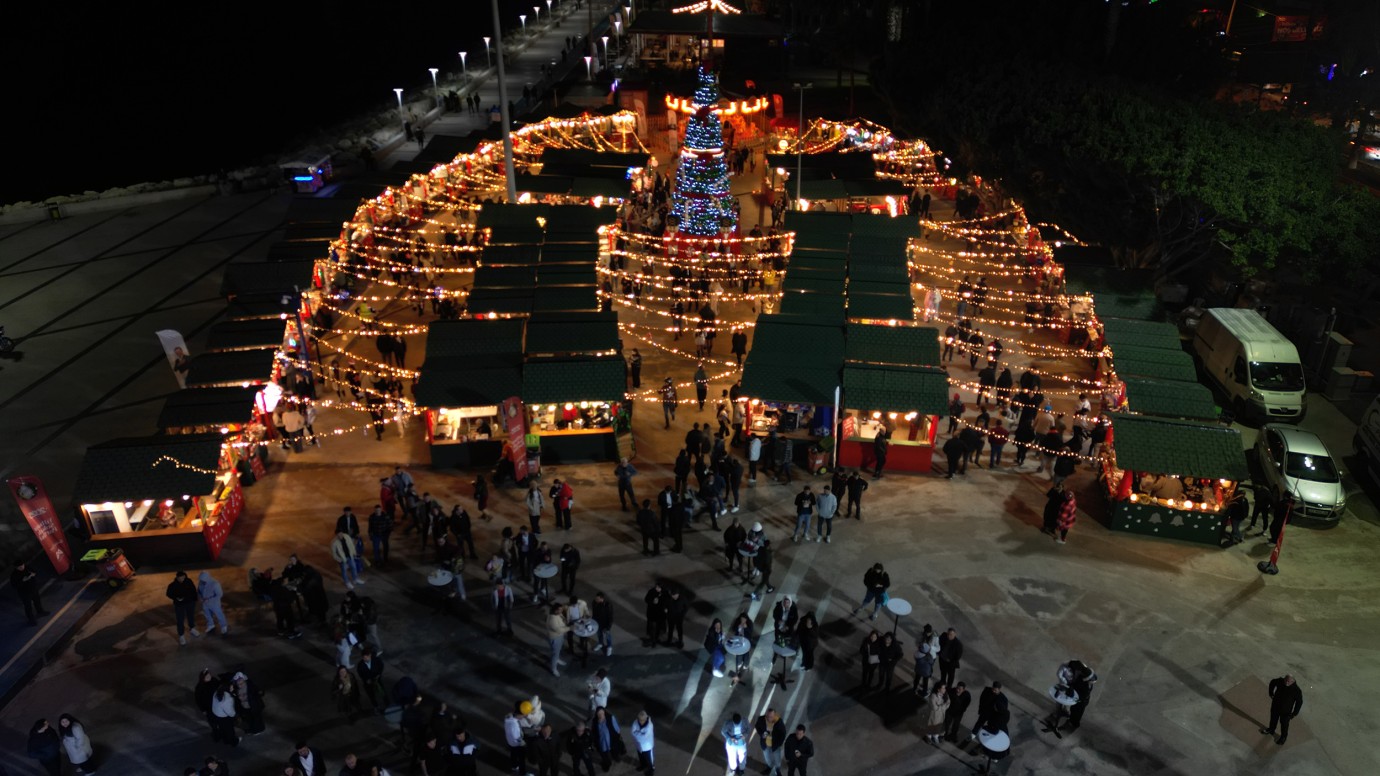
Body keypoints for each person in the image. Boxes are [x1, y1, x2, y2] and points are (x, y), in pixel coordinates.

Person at [1262, 674, 1303, 745]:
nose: (1286, 682)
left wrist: (1294, 713)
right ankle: (1271, 729)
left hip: (1286, 711)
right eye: (1286, 680)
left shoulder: (1296, 690)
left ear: (1293, 681)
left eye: (1289, 681)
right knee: (1273, 719)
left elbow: (1299, 702)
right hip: (1275, 706)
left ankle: (1283, 737)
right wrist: (1271, 693)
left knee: (1284, 724)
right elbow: (1272, 682)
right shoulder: (1280, 681)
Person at [167, 570, 201, 645]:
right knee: (180, 619)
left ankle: (192, 629)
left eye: (183, 577)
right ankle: (181, 635)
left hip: (190, 603)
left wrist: (195, 600)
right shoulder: (173, 585)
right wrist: (176, 598)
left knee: (191, 616)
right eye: (180, 578)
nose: (181, 579)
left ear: (185, 576)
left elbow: (193, 590)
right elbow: (168, 593)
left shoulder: (188, 581)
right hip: (179, 605)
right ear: (177, 578)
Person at [11, 560, 48, 625]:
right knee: (28, 606)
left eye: (22, 565)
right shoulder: (14, 575)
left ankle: (40, 611)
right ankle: (31, 619)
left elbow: (35, 572)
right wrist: (23, 581)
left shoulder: (27, 568)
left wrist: (34, 574)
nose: (22, 567)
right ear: (16, 568)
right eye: (20, 567)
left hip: (33, 589)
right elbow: (14, 585)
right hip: (24, 593)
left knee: (37, 601)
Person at [232, 670, 266, 735]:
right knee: (249, 720)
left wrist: (260, 692)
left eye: (241, 681)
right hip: (245, 708)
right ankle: (252, 729)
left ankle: (258, 730)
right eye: (238, 682)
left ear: (244, 680)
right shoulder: (236, 689)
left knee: (257, 720)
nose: (239, 683)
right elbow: (237, 700)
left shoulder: (251, 686)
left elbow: (259, 692)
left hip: (254, 707)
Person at [195, 571, 228, 635]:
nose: (201, 581)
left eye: (203, 580)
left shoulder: (215, 584)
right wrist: (200, 597)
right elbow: (199, 591)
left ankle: (224, 626)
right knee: (207, 614)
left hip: (214, 603)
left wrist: (210, 600)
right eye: (201, 580)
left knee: (219, 614)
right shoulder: (201, 582)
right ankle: (211, 625)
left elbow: (219, 594)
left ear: (207, 578)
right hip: (205, 602)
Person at [592, 706, 624, 772]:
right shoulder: (595, 721)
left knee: (614, 750)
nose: (601, 715)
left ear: (604, 712)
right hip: (602, 742)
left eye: (602, 713)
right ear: (596, 714)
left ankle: (616, 757)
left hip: (612, 740)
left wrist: (619, 735)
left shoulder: (610, 718)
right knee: (604, 755)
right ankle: (607, 764)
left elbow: (616, 728)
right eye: (599, 714)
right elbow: (594, 732)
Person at [755, 709, 785, 776]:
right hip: (765, 744)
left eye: (771, 717)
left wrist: (779, 743)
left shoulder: (779, 722)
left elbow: (783, 733)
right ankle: (769, 767)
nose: (769, 718)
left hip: (775, 745)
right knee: (767, 758)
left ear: (774, 715)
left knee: (777, 759)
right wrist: (761, 734)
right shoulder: (761, 719)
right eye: (767, 716)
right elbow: (757, 726)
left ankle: (777, 770)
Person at [356, 647, 386, 715]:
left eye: (365, 657)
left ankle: (387, 704)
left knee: (383, 693)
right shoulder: (360, 665)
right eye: (363, 657)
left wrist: (379, 674)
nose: (364, 659)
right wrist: (366, 680)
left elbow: (381, 666)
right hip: (368, 683)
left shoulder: (376, 660)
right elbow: (360, 674)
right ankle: (376, 707)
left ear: (370, 655)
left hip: (377, 680)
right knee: (371, 696)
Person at [913, 623, 940, 694]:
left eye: (928, 633)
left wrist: (931, 648)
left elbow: (938, 648)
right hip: (922, 655)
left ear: (931, 632)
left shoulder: (935, 637)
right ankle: (915, 687)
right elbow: (917, 642)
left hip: (930, 656)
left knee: (926, 674)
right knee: (919, 674)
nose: (927, 634)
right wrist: (920, 646)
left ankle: (924, 690)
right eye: (926, 632)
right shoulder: (922, 635)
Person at [210, 681, 238, 745]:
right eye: (231, 687)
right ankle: (233, 742)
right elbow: (230, 712)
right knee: (229, 730)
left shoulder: (217, 692)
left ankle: (223, 737)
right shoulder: (227, 698)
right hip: (224, 717)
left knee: (222, 728)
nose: (232, 688)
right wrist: (235, 715)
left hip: (216, 714)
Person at [547, 603, 570, 676]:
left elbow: (563, 621)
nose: (562, 610)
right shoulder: (552, 619)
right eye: (560, 610)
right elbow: (559, 630)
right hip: (555, 638)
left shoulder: (558, 614)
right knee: (555, 653)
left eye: (562, 609)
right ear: (555, 610)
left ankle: (557, 659)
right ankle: (553, 669)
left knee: (558, 650)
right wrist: (570, 628)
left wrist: (564, 618)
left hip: (560, 636)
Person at [503, 704, 527, 773]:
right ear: (519, 715)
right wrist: (523, 744)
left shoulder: (509, 719)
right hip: (516, 744)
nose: (524, 717)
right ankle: (523, 772)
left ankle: (514, 766)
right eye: (523, 715)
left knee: (513, 754)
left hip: (510, 742)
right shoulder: (514, 725)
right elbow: (517, 737)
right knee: (521, 758)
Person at [630, 710, 655, 776]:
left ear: (646, 718)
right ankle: (643, 766)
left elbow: (644, 737)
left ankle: (650, 771)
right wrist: (639, 734)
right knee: (641, 757)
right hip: (639, 745)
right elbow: (632, 733)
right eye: (640, 720)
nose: (641, 722)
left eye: (642, 720)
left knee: (649, 761)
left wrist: (637, 734)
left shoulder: (649, 726)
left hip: (647, 747)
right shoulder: (635, 722)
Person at [592, 591, 614, 656]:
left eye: (598, 599)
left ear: (602, 598)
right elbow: (594, 613)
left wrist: (608, 627)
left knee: (608, 636)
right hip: (598, 623)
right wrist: (593, 621)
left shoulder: (608, 605)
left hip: (605, 624)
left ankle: (609, 647)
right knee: (599, 634)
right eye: (596, 598)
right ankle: (600, 643)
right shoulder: (594, 603)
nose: (596, 600)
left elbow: (610, 617)